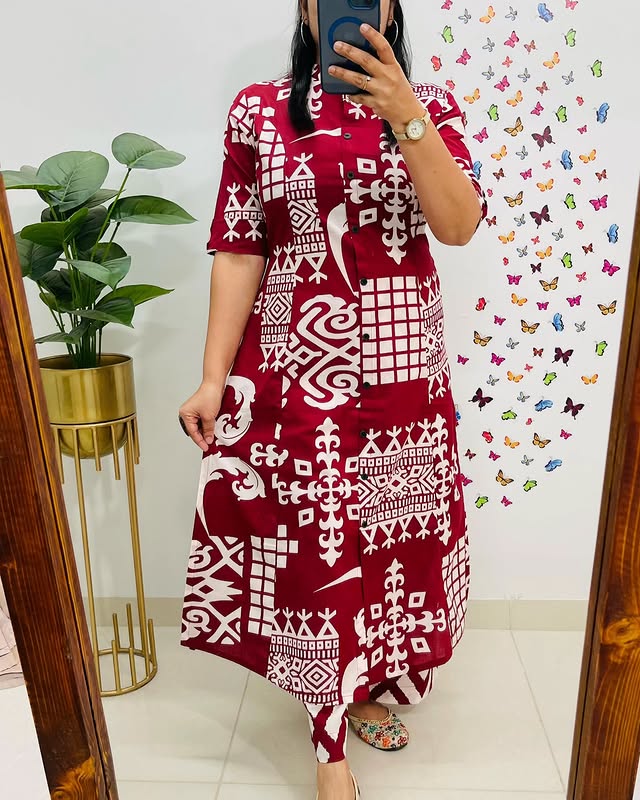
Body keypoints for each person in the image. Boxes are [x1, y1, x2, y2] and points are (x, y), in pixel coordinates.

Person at [178, 1, 487, 798]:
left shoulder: (431, 106)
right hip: (295, 374)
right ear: (306, 8)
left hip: (402, 382)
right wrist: (212, 377)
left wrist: (407, 114)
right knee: (315, 555)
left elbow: (458, 226)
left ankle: (368, 685)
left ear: (392, 7)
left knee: (388, 550)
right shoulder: (259, 110)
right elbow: (239, 248)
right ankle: (329, 749)